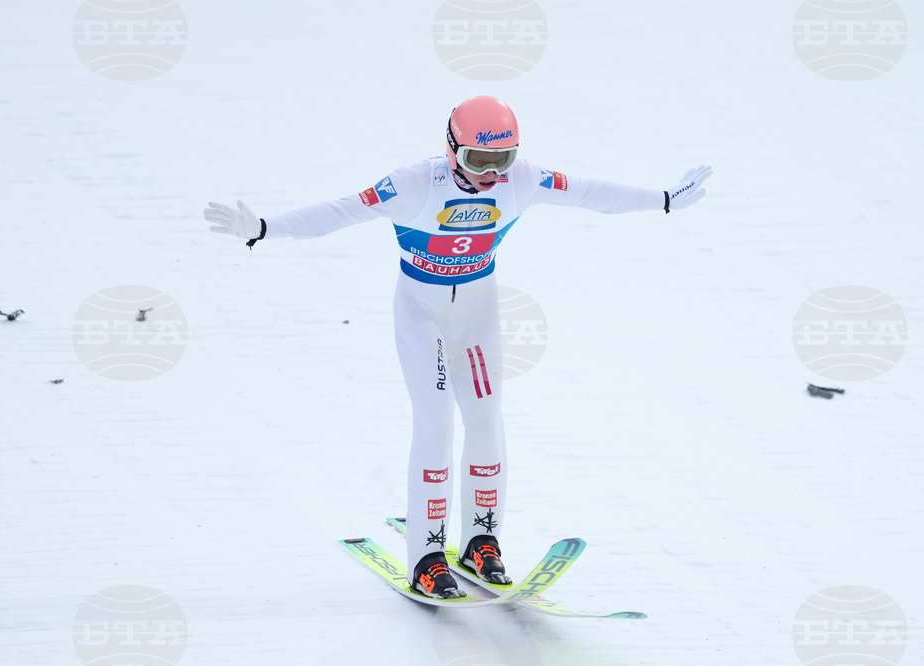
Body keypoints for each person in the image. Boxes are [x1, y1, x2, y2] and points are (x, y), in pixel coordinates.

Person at [205, 96, 712, 599]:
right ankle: (427, 556)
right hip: (420, 313)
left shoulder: (524, 179)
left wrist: (663, 198)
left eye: (503, 161)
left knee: (487, 417)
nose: (492, 175)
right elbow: (340, 211)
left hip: (475, 312)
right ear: (452, 150)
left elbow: (589, 192)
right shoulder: (412, 184)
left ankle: (480, 541)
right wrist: (267, 229)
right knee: (436, 421)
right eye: (479, 161)